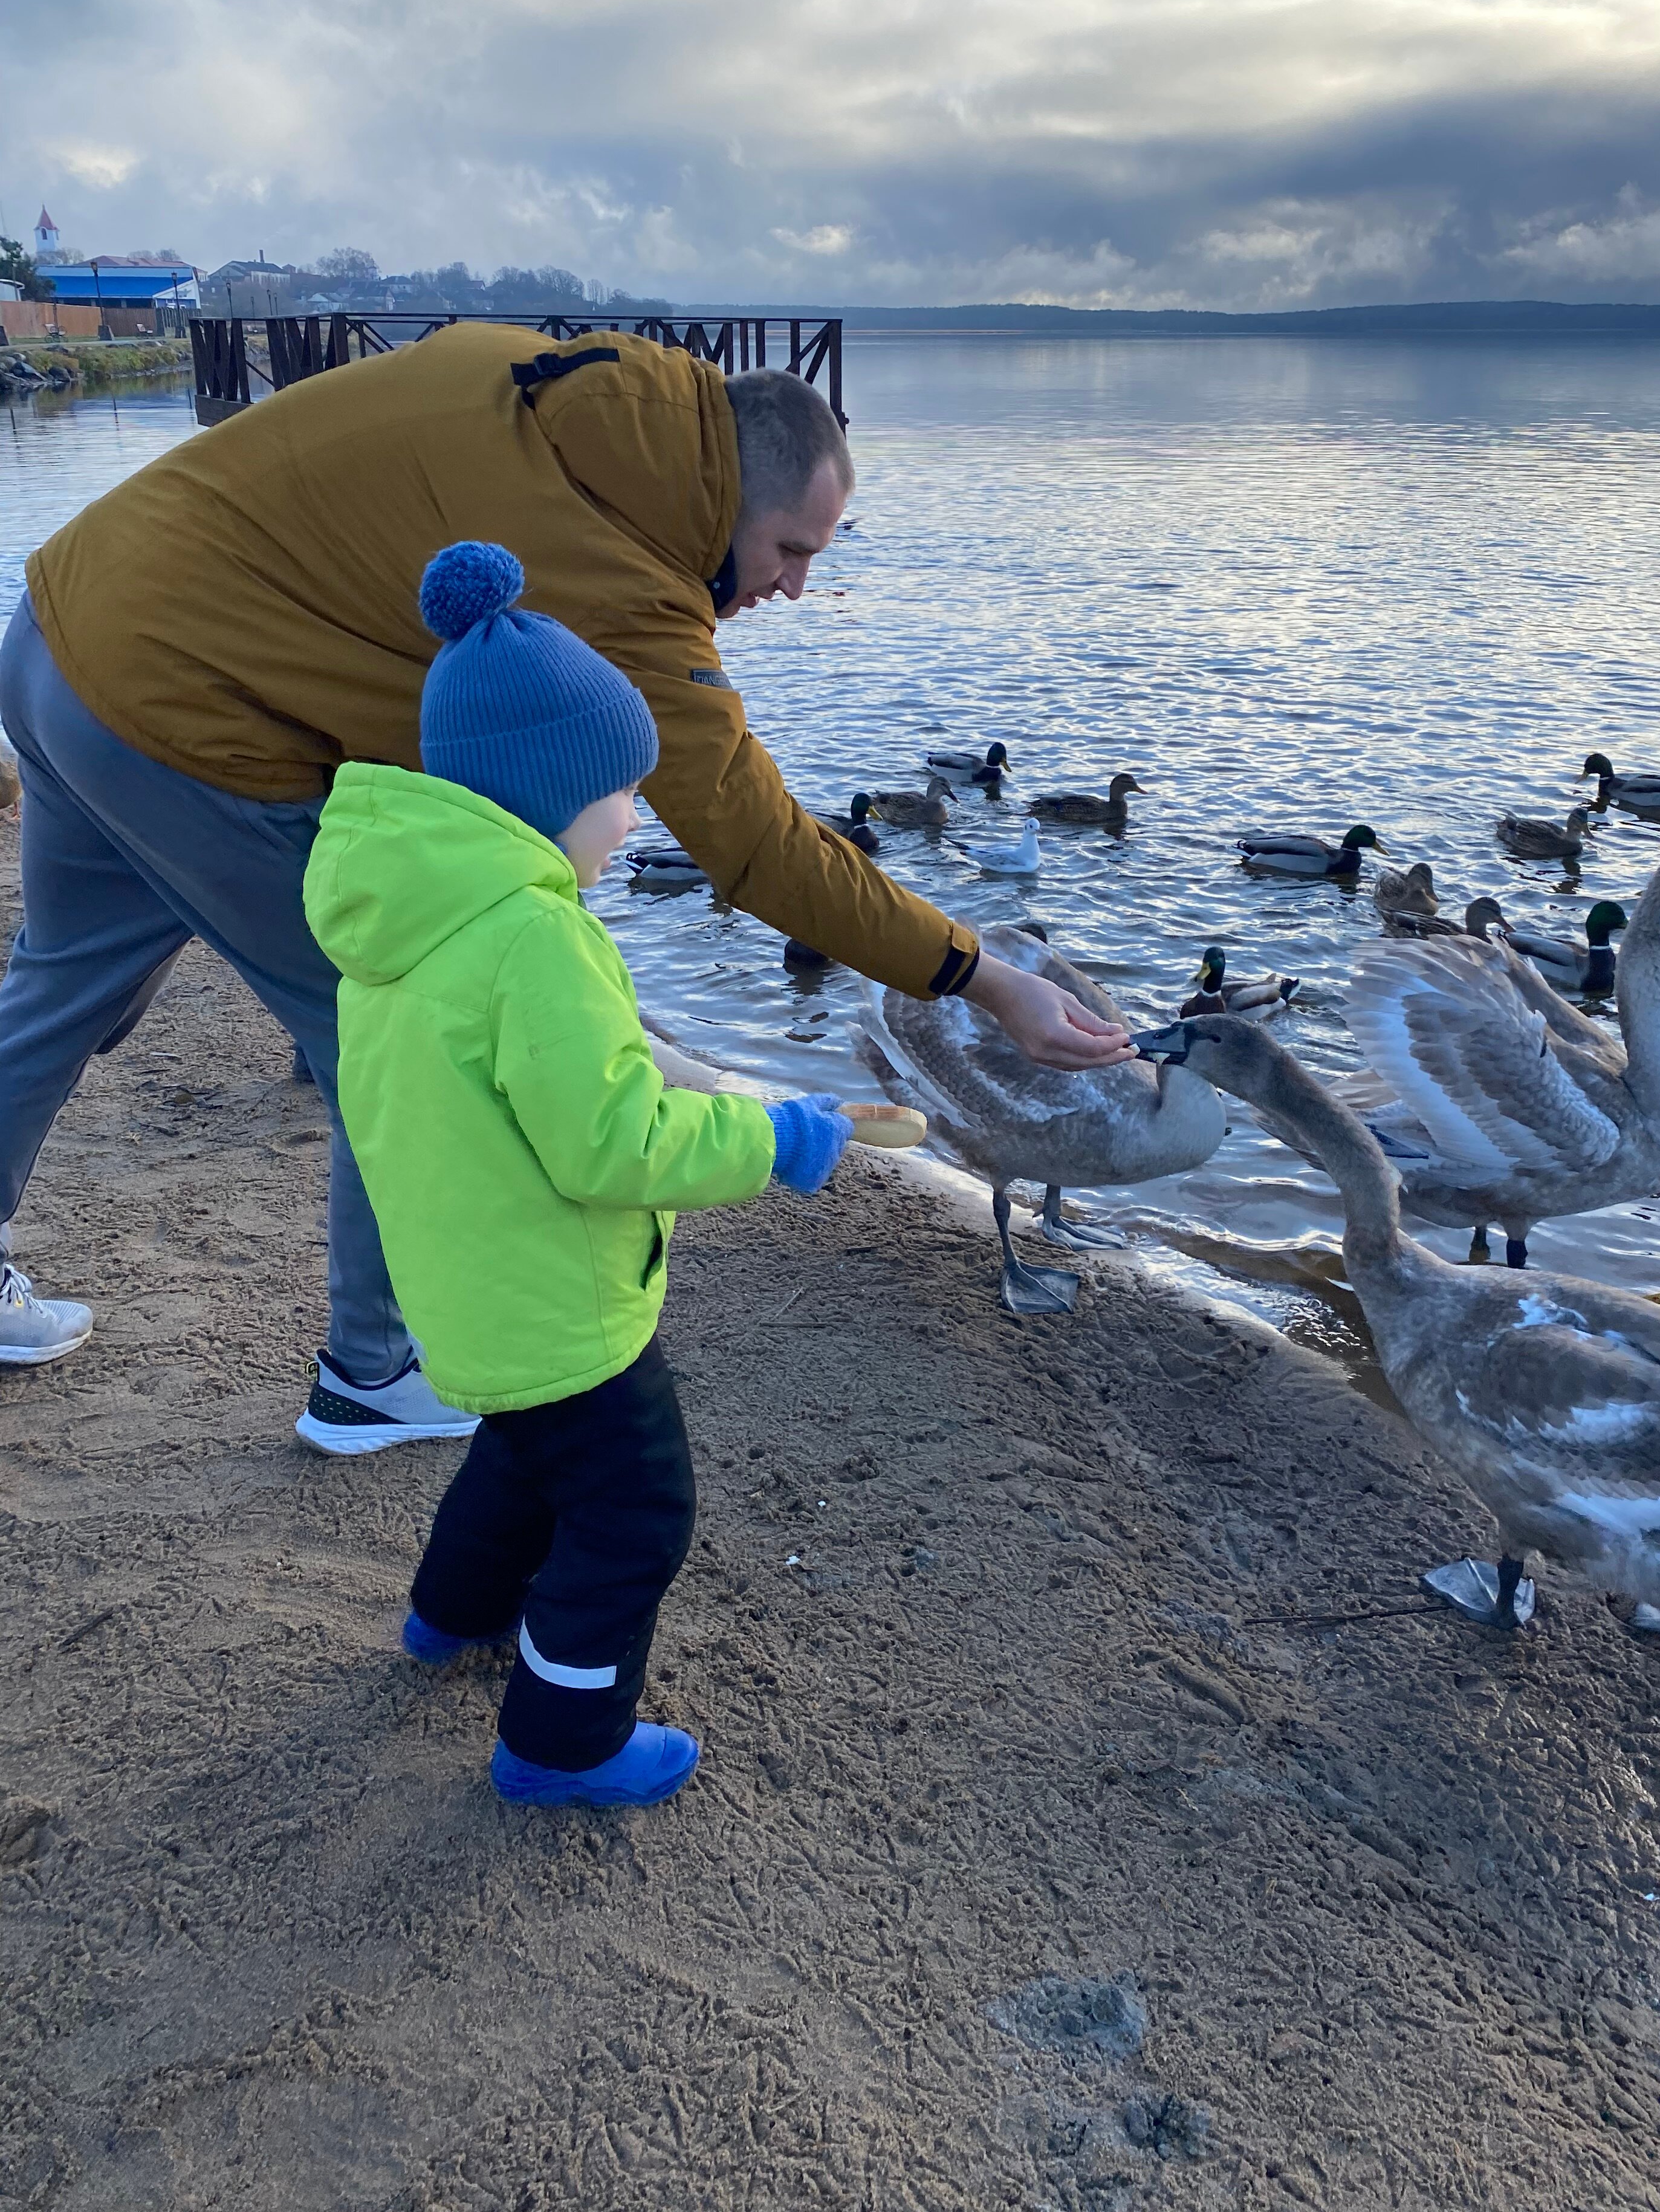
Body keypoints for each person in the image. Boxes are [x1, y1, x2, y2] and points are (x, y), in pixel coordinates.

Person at [0, 328, 1128, 1425]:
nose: (793, 587)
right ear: (732, 496)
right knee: (384, 1036)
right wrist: (986, 978)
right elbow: (759, 846)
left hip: (60, 620)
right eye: (792, 551)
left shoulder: (542, 373)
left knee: (57, 988)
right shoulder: (618, 577)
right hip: (179, 716)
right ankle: (372, 1373)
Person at [308, 538, 852, 1808]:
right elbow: (615, 1143)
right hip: (560, 1303)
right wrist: (772, 1142)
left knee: (523, 1460)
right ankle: (562, 1743)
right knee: (634, 1513)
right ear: (550, 792)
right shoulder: (534, 937)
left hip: (470, 1288)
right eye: (623, 793)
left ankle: (450, 1616)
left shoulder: (408, 920)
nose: (635, 818)